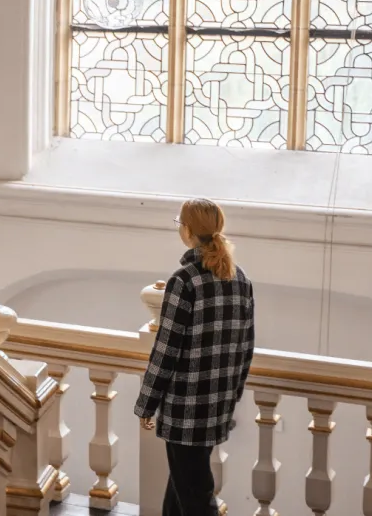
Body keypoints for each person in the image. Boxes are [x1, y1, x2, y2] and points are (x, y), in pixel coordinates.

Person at [134, 198, 255, 516]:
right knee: (182, 486)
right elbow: (246, 347)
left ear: (187, 231)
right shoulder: (240, 279)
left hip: (185, 407)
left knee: (195, 496)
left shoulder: (184, 281)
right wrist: (232, 397)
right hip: (217, 403)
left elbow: (166, 350)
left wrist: (146, 404)